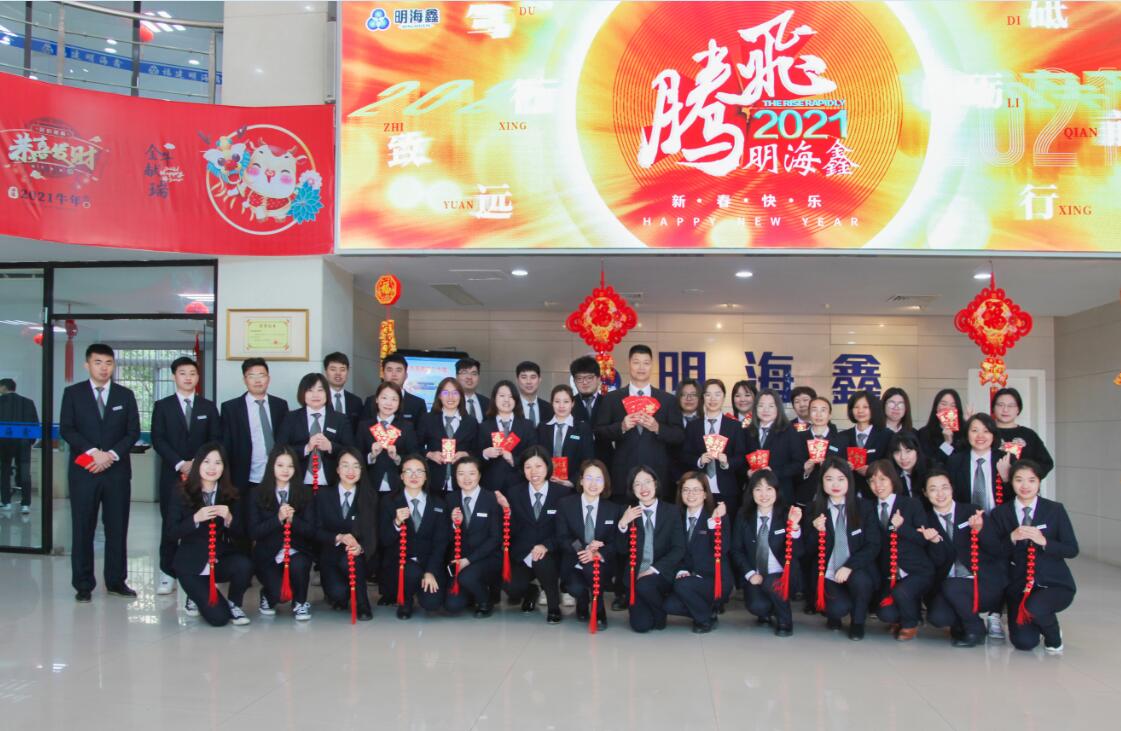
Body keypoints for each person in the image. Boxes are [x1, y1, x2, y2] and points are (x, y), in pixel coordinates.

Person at [60, 343, 141, 602]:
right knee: (83, 527)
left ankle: (116, 581)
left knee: (117, 527)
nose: (104, 368)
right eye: (98, 362)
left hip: (117, 472)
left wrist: (111, 455)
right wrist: (94, 452)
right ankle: (83, 584)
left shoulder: (125, 395)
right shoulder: (73, 394)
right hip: (84, 471)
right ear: (87, 365)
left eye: (108, 363)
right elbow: (67, 429)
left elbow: (133, 431)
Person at [991, 459, 1078, 653]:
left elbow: (1072, 549)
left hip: (1054, 583)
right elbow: (994, 552)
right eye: (1019, 480)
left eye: (1031, 480)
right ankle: (1039, 619)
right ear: (1011, 482)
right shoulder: (1000, 513)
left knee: (1035, 607)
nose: (1025, 486)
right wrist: (1011, 538)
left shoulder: (1054, 510)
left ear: (1039, 482)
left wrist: (1044, 541)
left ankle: (1053, 637)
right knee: (1024, 643)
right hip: (1019, 586)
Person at [150, 357, 220, 595]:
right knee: (171, 524)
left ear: (198, 377)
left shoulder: (208, 407)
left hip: (205, 476)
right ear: (174, 377)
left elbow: (215, 439)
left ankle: (203, 568)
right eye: (183, 373)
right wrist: (180, 464)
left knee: (203, 523)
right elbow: (158, 439)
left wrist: (198, 464)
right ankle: (167, 572)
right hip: (172, 475)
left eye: (192, 373)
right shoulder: (163, 406)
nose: (188, 377)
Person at [167, 443, 253, 626]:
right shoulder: (181, 491)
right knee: (219, 619)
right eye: (207, 462)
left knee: (244, 564)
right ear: (198, 464)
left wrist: (229, 518)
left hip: (218, 560)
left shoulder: (230, 494)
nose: (212, 468)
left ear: (224, 467)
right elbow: (171, 533)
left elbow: (243, 535)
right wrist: (195, 519)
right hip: (191, 564)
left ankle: (234, 604)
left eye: (218, 463)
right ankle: (195, 595)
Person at [922, 467, 1008, 648]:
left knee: (952, 586)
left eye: (944, 487)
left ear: (952, 488)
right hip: (949, 584)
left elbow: (996, 549)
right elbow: (934, 564)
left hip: (981, 581)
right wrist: (935, 543)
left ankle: (975, 629)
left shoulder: (971, 511)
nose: (940, 494)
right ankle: (963, 621)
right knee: (938, 617)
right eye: (933, 489)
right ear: (925, 493)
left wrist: (980, 530)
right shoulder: (925, 521)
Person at [594, 344, 684, 502]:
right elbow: (599, 433)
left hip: (657, 476)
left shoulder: (667, 400)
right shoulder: (612, 398)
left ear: (651, 366)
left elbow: (679, 436)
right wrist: (621, 427)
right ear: (629, 364)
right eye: (636, 362)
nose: (641, 367)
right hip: (623, 476)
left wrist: (658, 428)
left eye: (646, 363)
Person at [806, 457, 880, 640]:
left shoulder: (864, 507)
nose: (835, 484)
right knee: (837, 609)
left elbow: (873, 544)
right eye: (829, 479)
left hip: (856, 567)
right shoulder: (814, 509)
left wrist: (849, 566)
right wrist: (816, 531)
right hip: (828, 571)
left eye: (841, 479)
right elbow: (807, 551)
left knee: (861, 582)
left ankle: (858, 621)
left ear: (849, 481)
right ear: (822, 481)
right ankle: (835, 614)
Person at [497, 446, 571, 623]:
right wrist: (506, 512)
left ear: (547, 467)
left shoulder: (562, 493)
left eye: (538, 466)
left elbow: (565, 531)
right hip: (523, 552)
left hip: (551, 551)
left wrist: (546, 546)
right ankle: (531, 591)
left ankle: (553, 606)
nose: (533, 471)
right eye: (528, 467)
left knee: (542, 560)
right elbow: (513, 530)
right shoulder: (514, 492)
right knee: (511, 586)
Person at [866, 460, 935, 641]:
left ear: (892, 479)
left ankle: (910, 624)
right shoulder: (868, 507)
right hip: (889, 573)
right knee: (885, 613)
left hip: (917, 570)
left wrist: (902, 527)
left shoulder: (911, 504)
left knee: (902, 591)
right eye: (872, 481)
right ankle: (903, 615)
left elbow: (923, 539)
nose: (877, 485)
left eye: (882, 479)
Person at [731, 470, 803, 636]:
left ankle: (785, 620)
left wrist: (795, 527)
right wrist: (750, 574)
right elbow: (736, 550)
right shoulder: (743, 515)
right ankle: (771, 609)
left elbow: (799, 551)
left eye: (769, 489)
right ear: (751, 492)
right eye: (758, 489)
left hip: (783, 575)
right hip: (757, 575)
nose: (764, 494)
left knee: (772, 582)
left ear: (777, 491)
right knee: (757, 606)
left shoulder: (787, 514)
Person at [248, 446, 315, 620]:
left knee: (300, 564)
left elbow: (311, 531)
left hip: (296, 551)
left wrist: (293, 521)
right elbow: (253, 532)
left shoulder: (305, 493)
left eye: (290, 466)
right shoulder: (257, 494)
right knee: (280, 595)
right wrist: (277, 519)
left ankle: (300, 602)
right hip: (268, 555)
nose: (285, 470)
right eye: (280, 465)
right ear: (271, 466)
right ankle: (267, 595)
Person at [617, 466, 686, 633]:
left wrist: (654, 569)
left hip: (661, 573)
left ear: (655, 484)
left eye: (647, 482)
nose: (643, 488)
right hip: (635, 576)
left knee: (645, 585)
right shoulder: (627, 511)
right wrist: (623, 524)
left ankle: (659, 610)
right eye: (637, 484)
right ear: (632, 489)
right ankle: (656, 607)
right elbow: (620, 550)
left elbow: (678, 548)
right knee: (641, 626)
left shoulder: (672, 511)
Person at [380, 454, 448, 619]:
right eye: (408, 471)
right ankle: (405, 601)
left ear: (426, 476)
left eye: (419, 471)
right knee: (411, 573)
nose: (414, 476)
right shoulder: (389, 501)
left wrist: (430, 571)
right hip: (401, 564)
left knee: (432, 603)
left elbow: (440, 543)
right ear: (401, 476)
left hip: (428, 562)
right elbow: (384, 540)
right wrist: (396, 522)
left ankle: (421, 586)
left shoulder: (438, 503)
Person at [556, 460, 621, 630]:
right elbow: (563, 537)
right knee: (576, 588)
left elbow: (615, 542)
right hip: (575, 560)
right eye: (589, 478)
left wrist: (599, 553)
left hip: (601, 563)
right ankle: (583, 601)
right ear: (581, 480)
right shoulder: (566, 504)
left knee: (593, 569)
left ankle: (599, 611)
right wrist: (584, 550)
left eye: (599, 479)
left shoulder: (613, 509)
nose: (593, 484)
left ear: (605, 482)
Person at [663, 472, 731, 633]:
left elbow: (723, 549)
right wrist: (681, 570)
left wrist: (714, 524)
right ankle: (708, 612)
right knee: (669, 605)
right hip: (687, 578)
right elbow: (673, 549)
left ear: (705, 493)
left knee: (683, 586)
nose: (690, 494)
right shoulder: (676, 517)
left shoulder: (716, 515)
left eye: (696, 490)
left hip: (713, 580)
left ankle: (703, 620)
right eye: (686, 490)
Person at [315, 447, 377, 621]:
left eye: (356, 466)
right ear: (337, 469)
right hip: (331, 556)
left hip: (358, 557)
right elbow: (316, 531)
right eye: (345, 465)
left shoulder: (369, 497)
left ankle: (362, 603)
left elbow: (373, 532)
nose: (351, 471)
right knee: (338, 594)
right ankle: (341, 593)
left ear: (362, 470)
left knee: (353, 560)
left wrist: (360, 548)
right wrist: (338, 537)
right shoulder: (323, 495)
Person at [220, 358, 289, 501]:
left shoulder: (280, 405)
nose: (257, 380)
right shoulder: (231, 408)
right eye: (251, 376)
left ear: (268, 378)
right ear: (244, 380)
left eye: (261, 375)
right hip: (244, 478)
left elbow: (286, 439)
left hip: (277, 476)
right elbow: (226, 446)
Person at [444, 456, 502, 617]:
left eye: (471, 473)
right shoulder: (450, 499)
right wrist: (454, 524)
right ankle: (473, 591)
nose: (466, 478)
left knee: (467, 577)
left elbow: (495, 538)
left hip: (486, 557)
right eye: (461, 473)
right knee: (452, 605)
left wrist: (469, 560)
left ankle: (485, 600)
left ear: (479, 475)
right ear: (455, 476)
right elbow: (444, 535)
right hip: (460, 558)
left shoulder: (491, 498)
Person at [277, 373, 354, 492]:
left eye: (320, 390)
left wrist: (330, 447)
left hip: (331, 485)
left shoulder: (340, 419)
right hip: (298, 484)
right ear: (302, 393)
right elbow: (280, 449)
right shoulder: (291, 418)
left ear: (327, 393)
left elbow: (352, 450)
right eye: (310, 390)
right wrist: (306, 448)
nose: (315, 395)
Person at [682, 378, 746, 520]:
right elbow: (684, 455)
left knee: (726, 528)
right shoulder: (693, 426)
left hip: (727, 490)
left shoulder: (734, 426)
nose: (713, 399)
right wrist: (699, 460)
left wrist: (727, 462)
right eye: (708, 394)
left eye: (717, 394)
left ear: (724, 397)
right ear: (703, 397)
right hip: (700, 491)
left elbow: (741, 456)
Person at [356, 382, 419, 494]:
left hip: (398, 485)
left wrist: (397, 458)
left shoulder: (406, 427)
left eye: (394, 399)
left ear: (399, 403)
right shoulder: (364, 426)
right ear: (377, 399)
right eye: (384, 398)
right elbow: (356, 456)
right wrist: (371, 456)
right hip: (370, 485)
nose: (389, 403)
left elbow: (414, 456)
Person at [478, 380, 537, 492]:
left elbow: (533, 455)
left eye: (510, 396)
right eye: (502, 396)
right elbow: (475, 458)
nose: (506, 400)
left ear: (516, 400)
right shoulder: (484, 427)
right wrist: (485, 454)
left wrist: (513, 459)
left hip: (520, 485)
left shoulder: (527, 426)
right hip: (491, 486)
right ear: (494, 399)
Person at [422, 377, 478, 493]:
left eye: (455, 393)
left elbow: (478, 450)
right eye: (445, 393)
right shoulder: (427, 419)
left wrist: (466, 454)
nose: (450, 397)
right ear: (439, 396)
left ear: (461, 396)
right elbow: (414, 447)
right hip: (433, 483)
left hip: (462, 485)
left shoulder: (471, 422)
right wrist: (429, 454)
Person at [744, 388, 799, 506]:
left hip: (781, 492)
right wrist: (747, 472)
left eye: (771, 406)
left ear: (778, 408)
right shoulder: (748, 432)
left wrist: (774, 472)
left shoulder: (789, 431)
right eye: (761, 406)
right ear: (755, 408)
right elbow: (741, 460)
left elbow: (798, 464)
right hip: (754, 494)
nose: (766, 410)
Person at [836, 391, 891, 499]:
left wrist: (873, 470)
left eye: (865, 407)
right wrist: (844, 466)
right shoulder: (842, 436)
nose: (860, 411)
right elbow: (836, 463)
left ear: (873, 409)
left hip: (876, 493)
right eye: (856, 407)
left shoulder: (886, 436)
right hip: (848, 494)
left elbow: (890, 464)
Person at [361, 352, 427, 441]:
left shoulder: (418, 404)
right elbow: (363, 434)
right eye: (389, 370)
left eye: (398, 370)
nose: (394, 374)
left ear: (406, 375)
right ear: (383, 374)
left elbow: (420, 437)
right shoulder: (370, 401)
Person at [991, 387, 1054, 478]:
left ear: (1018, 409)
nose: (1005, 410)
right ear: (993, 407)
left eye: (1011, 406)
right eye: (1001, 405)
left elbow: (1046, 463)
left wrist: (1027, 478)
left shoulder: (1029, 435)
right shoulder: (986, 433)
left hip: (1021, 486)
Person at [538, 384, 594, 489]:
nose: (561, 406)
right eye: (557, 401)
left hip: (571, 486)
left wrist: (573, 481)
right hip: (545, 483)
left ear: (572, 403)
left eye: (566, 402)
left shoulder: (582, 428)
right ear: (551, 403)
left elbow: (588, 460)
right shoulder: (542, 427)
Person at [793, 396, 840, 507]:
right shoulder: (797, 438)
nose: (818, 414)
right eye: (814, 410)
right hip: (804, 498)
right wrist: (805, 472)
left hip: (832, 499)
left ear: (829, 415)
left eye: (823, 410)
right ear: (809, 414)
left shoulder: (840, 440)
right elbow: (791, 468)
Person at [0, 378, 37, 515]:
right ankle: (25, 504)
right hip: (23, 443)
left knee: (4, 472)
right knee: (25, 473)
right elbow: (35, 424)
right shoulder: (28, 402)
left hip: (4, 443)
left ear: (4, 387)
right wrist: (29, 442)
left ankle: (6, 502)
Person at [570, 355, 612, 466]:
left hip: (605, 465)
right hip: (577, 466)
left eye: (589, 377)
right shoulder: (568, 404)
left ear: (598, 379)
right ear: (574, 381)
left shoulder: (609, 402)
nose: (585, 382)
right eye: (579, 378)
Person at [917, 389, 966, 466]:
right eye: (943, 404)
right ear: (936, 407)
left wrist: (969, 424)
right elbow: (929, 463)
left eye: (953, 405)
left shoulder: (964, 432)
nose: (948, 408)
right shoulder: (924, 433)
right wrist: (947, 443)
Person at [323, 352, 363, 439]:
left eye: (342, 369)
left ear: (347, 372)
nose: (338, 373)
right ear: (325, 372)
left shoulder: (356, 401)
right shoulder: (319, 399)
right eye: (333, 369)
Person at [889, 432, 928, 499]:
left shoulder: (930, 470)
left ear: (917, 451)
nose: (903, 457)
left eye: (908, 451)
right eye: (897, 452)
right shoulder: (891, 476)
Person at [515, 360, 553, 427]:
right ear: (517, 380)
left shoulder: (549, 408)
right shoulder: (511, 407)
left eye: (533, 377)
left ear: (539, 380)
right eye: (524, 377)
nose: (528, 382)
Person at [456, 357, 489, 424]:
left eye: (474, 374)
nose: (469, 377)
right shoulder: (451, 402)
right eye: (464, 373)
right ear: (457, 376)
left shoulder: (488, 403)